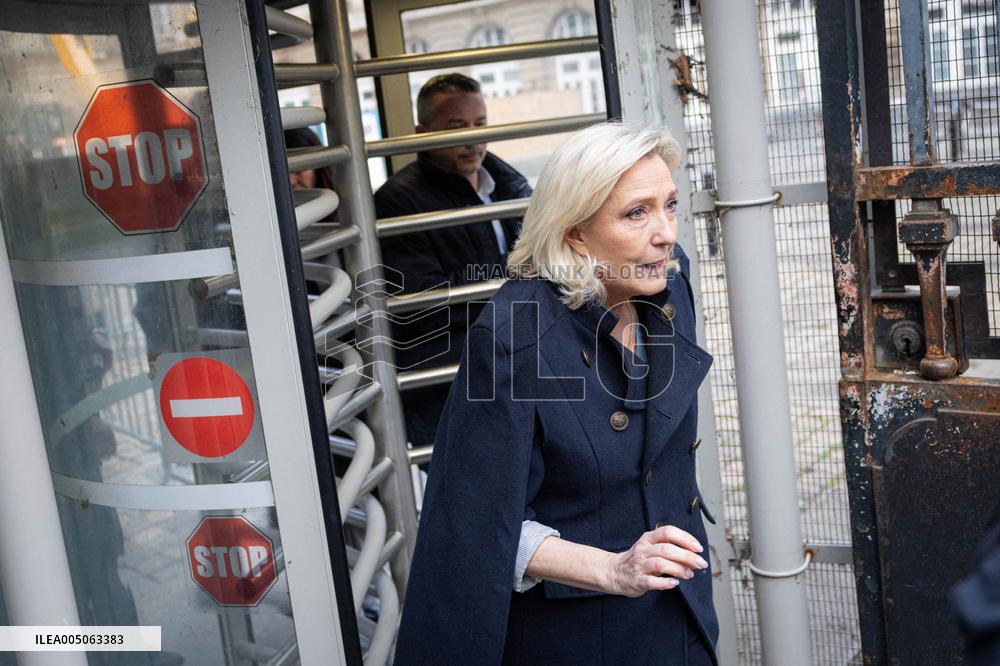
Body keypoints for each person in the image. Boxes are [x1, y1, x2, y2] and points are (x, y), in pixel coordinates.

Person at [394, 123, 719, 664]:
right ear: (574, 233)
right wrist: (615, 570)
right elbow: (475, 524)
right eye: (636, 213)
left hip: (680, 614)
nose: (665, 232)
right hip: (581, 636)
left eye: (669, 205)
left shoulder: (665, 285)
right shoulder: (514, 336)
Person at [374, 73, 533, 449]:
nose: (473, 139)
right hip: (449, 387)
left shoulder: (507, 181)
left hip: (515, 371)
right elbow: (420, 301)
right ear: (423, 131)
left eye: (480, 124)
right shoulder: (397, 203)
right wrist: (519, 269)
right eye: (457, 127)